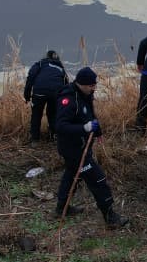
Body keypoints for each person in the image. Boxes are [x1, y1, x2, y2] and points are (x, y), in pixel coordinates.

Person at [53, 67, 129, 229]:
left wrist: (97, 131)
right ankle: (110, 216)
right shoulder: (68, 99)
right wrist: (84, 128)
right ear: (82, 84)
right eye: (91, 86)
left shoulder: (86, 94)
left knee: (72, 175)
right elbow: (60, 126)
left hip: (82, 146)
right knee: (98, 179)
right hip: (72, 149)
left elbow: (90, 114)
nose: (94, 88)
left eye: (95, 85)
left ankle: (61, 208)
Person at [22, 49, 66, 142]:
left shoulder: (40, 64)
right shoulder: (60, 68)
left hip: (39, 93)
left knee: (36, 115)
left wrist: (27, 95)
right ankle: (54, 136)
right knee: (53, 114)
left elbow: (30, 77)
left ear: (46, 56)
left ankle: (35, 139)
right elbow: (66, 84)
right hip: (55, 94)